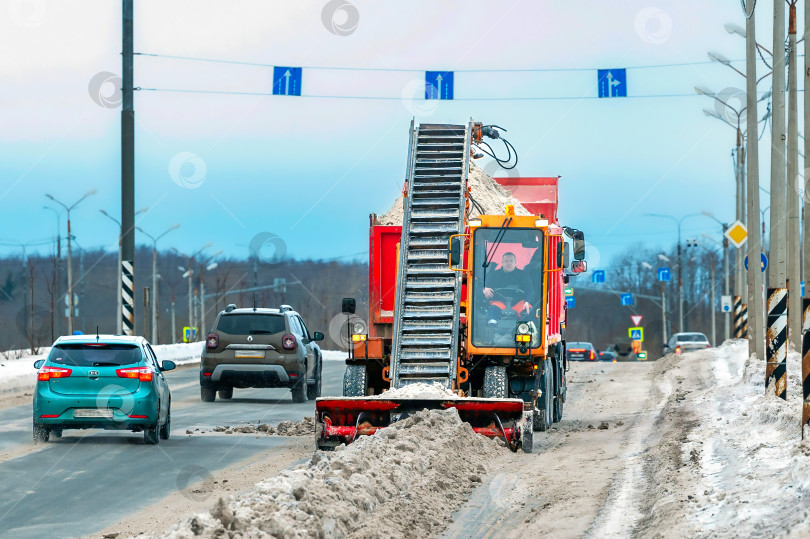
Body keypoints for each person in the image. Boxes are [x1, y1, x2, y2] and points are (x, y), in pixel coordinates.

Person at [482, 252, 533, 325]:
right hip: (499, 302)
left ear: (515, 262)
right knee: (492, 310)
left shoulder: (523, 275)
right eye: (506, 261)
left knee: (528, 310)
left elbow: (530, 290)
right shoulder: (493, 275)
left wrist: (527, 301)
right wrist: (484, 289)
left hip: (518, 303)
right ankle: (491, 328)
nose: (508, 263)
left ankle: (526, 330)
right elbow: (482, 286)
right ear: (502, 263)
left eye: (511, 261)